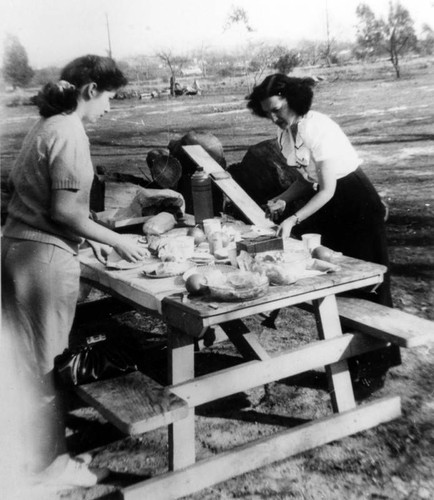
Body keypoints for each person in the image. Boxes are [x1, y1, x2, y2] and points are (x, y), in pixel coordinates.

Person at [1, 54, 148, 492]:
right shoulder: (69, 131)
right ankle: (51, 469)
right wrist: (116, 239)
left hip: (18, 250)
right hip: (42, 262)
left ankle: (34, 458)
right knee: (42, 368)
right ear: (89, 91)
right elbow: (65, 210)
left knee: (26, 364)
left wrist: (88, 241)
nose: (109, 108)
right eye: (109, 98)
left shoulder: (44, 126)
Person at [246, 74, 400, 396]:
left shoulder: (317, 126)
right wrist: (282, 200)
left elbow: (329, 188)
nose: (273, 118)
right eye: (268, 113)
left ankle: (376, 369)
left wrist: (293, 218)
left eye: (277, 110)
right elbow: (306, 180)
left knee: (368, 286)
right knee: (338, 285)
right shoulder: (286, 134)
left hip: (356, 202)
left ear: (293, 99)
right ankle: (349, 364)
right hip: (333, 205)